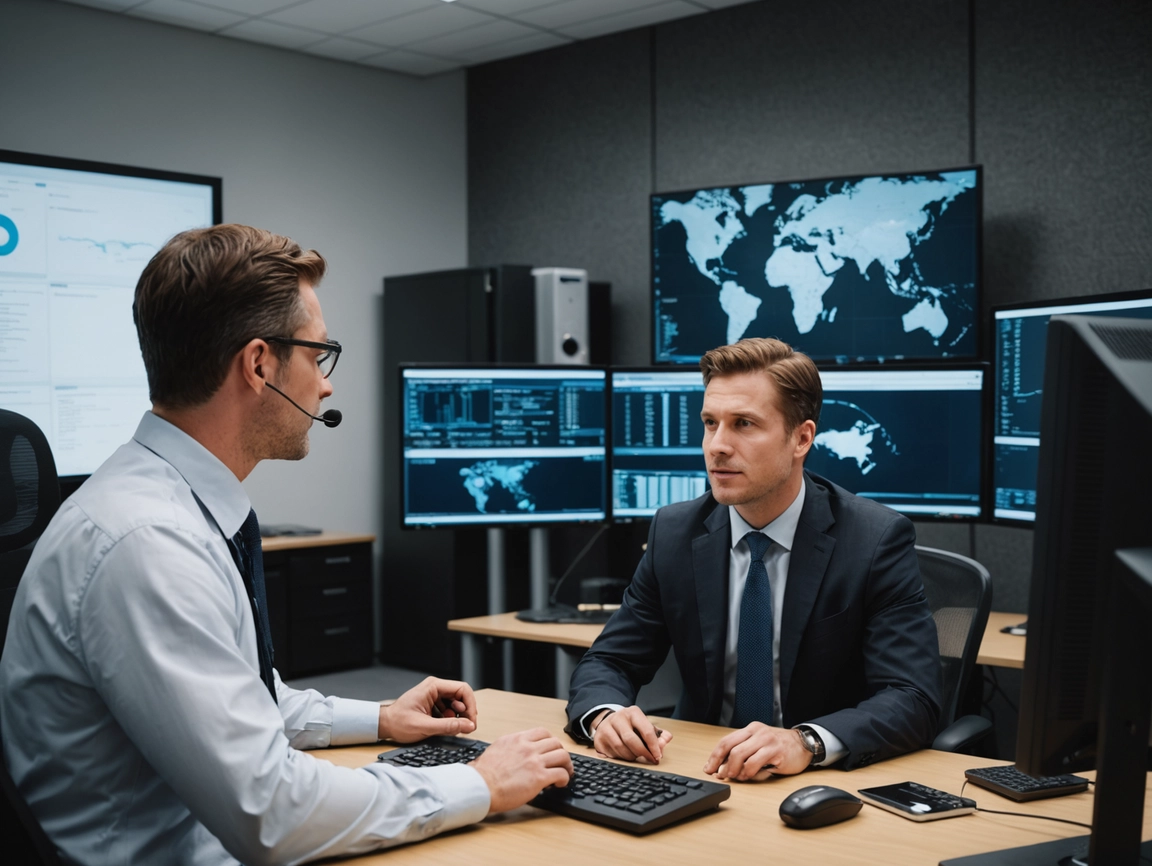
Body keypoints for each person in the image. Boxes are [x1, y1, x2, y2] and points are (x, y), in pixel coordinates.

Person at [0, 224, 573, 865]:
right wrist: (479, 783)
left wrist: (382, 718)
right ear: (258, 365)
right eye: (317, 355)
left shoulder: (169, 503)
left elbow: (243, 700)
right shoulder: (149, 544)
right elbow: (271, 812)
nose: (326, 384)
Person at [565, 337, 941, 780]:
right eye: (710, 423)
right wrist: (606, 716)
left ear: (801, 438)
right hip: (703, 772)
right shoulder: (676, 531)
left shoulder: (874, 539)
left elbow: (912, 696)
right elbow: (610, 661)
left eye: (743, 424)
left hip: (818, 782)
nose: (717, 446)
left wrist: (806, 741)